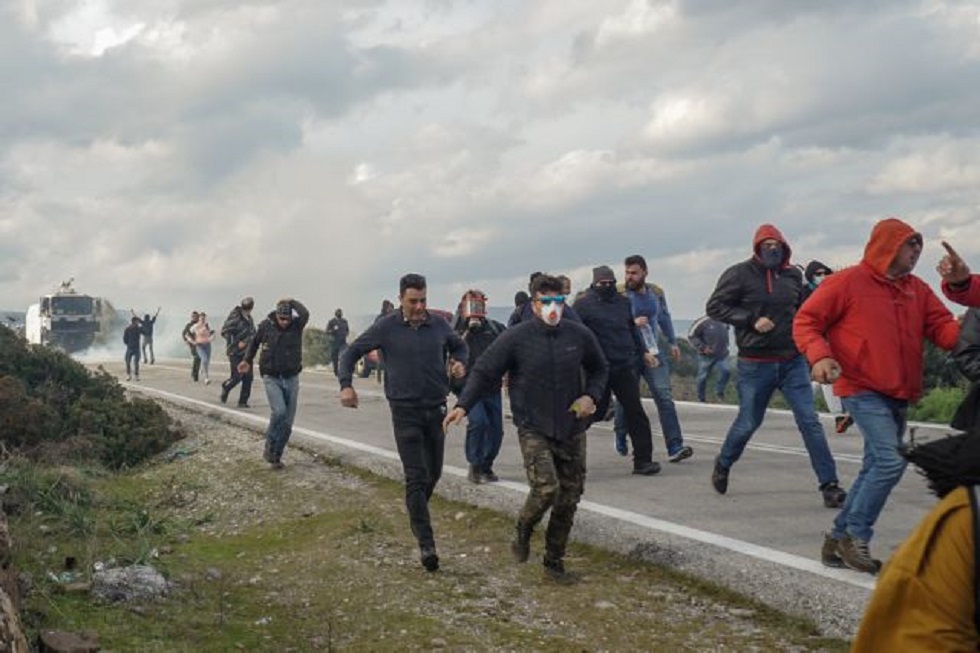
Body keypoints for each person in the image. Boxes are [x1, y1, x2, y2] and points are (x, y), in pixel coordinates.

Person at [794, 218, 960, 573]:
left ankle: (835, 540)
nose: (915, 252)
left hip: (898, 391)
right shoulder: (846, 283)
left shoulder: (916, 288)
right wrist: (819, 355)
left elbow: (944, 330)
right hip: (860, 386)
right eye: (908, 245)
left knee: (875, 465)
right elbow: (806, 321)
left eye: (918, 246)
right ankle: (855, 536)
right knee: (889, 461)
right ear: (887, 246)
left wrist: (968, 326)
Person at [444, 274, 608, 580]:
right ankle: (523, 528)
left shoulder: (579, 335)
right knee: (547, 488)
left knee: (569, 497)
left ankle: (554, 563)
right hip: (533, 424)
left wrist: (591, 395)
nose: (552, 308)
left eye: (557, 301)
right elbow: (483, 371)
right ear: (533, 304)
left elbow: (600, 368)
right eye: (545, 301)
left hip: (572, 426)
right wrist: (462, 405)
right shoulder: (515, 337)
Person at [706, 224, 846, 508]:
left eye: (776, 244)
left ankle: (829, 485)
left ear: (784, 246)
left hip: (792, 361)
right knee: (748, 423)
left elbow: (807, 311)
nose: (772, 248)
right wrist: (750, 319)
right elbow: (715, 307)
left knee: (810, 422)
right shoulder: (739, 274)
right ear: (757, 247)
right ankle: (724, 462)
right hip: (755, 364)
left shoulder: (793, 276)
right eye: (766, 244)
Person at [338, 274, 468, 572]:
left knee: (432, 476)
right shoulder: (386, 327)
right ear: (401, 300)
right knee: (416, 477)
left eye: (423, 300)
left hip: (437, 411)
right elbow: (350, 353)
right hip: (404, 411)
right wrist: (346, 385)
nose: (420, 306)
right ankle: (427, 545)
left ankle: (416, 508)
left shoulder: (439, 325)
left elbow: (460, 347)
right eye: (413, 301)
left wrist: (460, 363)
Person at [850, 429, 980, 651]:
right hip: (868, 395)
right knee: (889, 461)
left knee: (886, 461)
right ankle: (852, 534)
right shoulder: (966, 516)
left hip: (896, 397)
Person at [574, 265, 661, 476]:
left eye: (610, 283)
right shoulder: (582, 305)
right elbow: (574, 334)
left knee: (635, 412)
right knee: (592, 412)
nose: (607, 286)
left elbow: (631, 330)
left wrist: (644, 352)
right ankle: (566, 454)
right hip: (597, 368)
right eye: (602, 283)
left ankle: (643, 461)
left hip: (623, 364)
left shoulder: (623, 303)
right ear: (594, 283)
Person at [613, 255, 693, 463]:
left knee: (664, 396)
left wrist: (673, 341)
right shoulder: (619, 294)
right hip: (629, 353)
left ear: (644, 273)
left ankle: (675, 446)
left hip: (653, 351)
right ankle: (621, 434)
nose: (629, 277)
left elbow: (664, 317)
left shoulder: (655, 293)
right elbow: (611, 321)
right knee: (626, 400)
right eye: (627, 272)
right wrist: (632, 322)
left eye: (634, 273)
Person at [240, 298, 310, 469]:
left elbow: (305, 313)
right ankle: (270, 445)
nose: (285, 322)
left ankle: (276, 455)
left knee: (287, 423)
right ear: (277, 316)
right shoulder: (266, 326)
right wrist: (246, 360)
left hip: (291, 377)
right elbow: (254, 343)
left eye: (287, 319)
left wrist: (291, 301)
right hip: (271, 377)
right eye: (282, 319)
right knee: (279, 412)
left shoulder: (296, 325)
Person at [450, 289, 506, 484]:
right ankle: (475, 464)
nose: (476, 309)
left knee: (497, 430)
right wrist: (452, 368)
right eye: (472, 305)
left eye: (479, 305)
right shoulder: (456, 332)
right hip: (467, 388)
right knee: (479, 422)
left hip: (491, 386)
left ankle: (486, 465)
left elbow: (510, 349)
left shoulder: (496, 329)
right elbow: (442, 355)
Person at [802, 261, 853, 435]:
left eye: (825, 273)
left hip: (840, 341)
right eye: (818, 273)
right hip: (816, 345)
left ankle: (853, 410)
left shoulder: (837, 291)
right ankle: (838, 415)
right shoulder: (803, 296)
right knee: (825, 380)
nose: (822, 276)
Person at [220, 297, 256, 408]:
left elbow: (252, 333)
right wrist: (236, 343)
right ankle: (226, 386)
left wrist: (249, 341)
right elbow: (225, 331)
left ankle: (243, 401)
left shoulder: (249, 318)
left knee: (248, 377)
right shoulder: (235, 317)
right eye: (246, 308)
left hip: (247, 353)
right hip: (235, 352)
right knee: (237, 376)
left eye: (249, 308)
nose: (247, 310)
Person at [688, 315, 731, 403]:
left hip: (722, 355)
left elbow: (725, 332)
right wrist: (703, 348)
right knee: (702, 377)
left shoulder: (724, 319)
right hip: (706, 356)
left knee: (726, 371)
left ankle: (719, 391)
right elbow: (691, 335)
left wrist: (726, 346)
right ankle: (701, 398)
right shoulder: (703, 321)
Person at [188, 312, 214, 385]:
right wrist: (193, 342)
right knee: (204, 360)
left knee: (207, 362)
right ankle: (206, 378)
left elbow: (211, 334)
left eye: (204, 318)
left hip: (208, 345)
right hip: (200, 346)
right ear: (199, 318)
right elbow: (187, 335)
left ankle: (203, 368)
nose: (203, 320)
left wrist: (212, 338)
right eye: (202, 318)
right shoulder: (194, 327)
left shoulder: (207, 326)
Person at [326, 308, 350, 377]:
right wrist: (333, 330)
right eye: (338, 312)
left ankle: (343, 371)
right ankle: (336, 371)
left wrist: (346, 334)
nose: (340, 314)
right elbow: (327, 331)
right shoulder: (331, 322)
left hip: (343, 342)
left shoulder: (344, 321)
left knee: (344, 357)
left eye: (340, 313)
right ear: (335, 314)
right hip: (334, 343)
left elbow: (347, 330)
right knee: (335, 358)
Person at [181, 310, 202, 382]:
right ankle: (195, 374)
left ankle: (194, 373)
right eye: (193, 316)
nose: (194, 318)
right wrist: (186, 340)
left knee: (199, 359)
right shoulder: (189, 325)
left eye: (196, 316)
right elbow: (184, 333)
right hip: (193, 344)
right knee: (197, 357)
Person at [123, 316, 142, 381]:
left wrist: (128, 344)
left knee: (134, 362)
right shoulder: (129, 329)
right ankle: (131, 375)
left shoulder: (136, 328)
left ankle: (134, 375)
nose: (138, 322)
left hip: (133, 347)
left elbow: (125, 339)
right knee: (129, 362)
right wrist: (128, 344)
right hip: (132, 347)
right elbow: (125, 338)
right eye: (137, 321)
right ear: (134, 321)